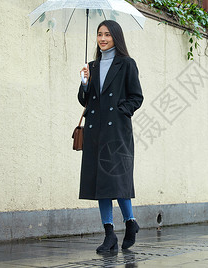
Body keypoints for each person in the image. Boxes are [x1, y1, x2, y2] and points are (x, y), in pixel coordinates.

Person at [78, 20, 144, 253]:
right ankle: (109, 235)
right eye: (99, 34)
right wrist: (85, 82)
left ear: (116, 37)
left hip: (116, 132)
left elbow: (136, 97)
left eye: (107, 34)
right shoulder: (92, 67)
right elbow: (86, 100)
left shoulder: (127, 64)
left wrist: (119, 112)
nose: (103, 39)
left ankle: (130, 222)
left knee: (116, 181)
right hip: (95, 132)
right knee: (100, 184)